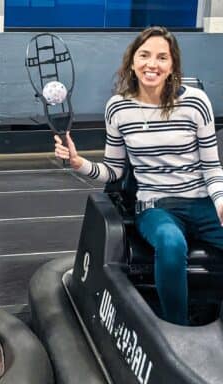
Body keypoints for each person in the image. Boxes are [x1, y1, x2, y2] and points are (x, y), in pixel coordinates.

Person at [54, 26, 223, 326]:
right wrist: (79, 162)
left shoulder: (196, 102)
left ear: (172, 66)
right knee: (171, 244)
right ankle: (178, 330)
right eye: (144, 55)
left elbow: (212, 168)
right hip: (155, 206)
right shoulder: (118, 108)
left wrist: (220, 201)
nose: (152, 64)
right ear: (132, 61)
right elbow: (114, 171)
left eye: (162, 57)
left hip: (202, 202)